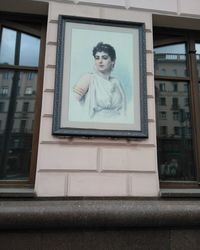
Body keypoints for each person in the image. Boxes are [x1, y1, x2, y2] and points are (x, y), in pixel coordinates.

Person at [72, 42, 126, 120]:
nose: (100, 61)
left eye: (104, 58)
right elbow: (73, 102)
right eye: (97, 58)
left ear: (113, 61)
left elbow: (123, 109)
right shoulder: (88, 78)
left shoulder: (116, 82)